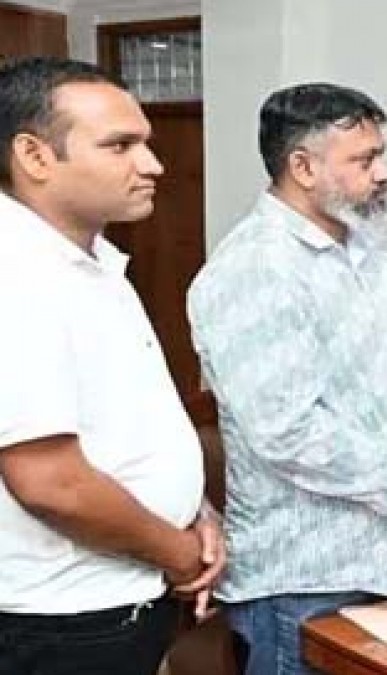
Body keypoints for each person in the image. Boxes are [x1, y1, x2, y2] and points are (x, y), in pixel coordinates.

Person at [186, 83, 387, 675]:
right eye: (364, 160)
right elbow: (289, 433)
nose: (384, 173)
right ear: (303, 167)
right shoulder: (254, 268)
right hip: (306, 580)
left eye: (380, 155)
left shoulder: (371, 251)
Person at [0, 56, 223, 675]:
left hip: (122, 593)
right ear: (35, 156)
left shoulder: (93, 261)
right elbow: (50, 480)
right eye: (120, 146)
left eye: (145, 143)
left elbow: (130, 426)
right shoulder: (17, 276)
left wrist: (197, 512)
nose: (152, 165)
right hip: (63, 618)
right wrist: (178, 551)